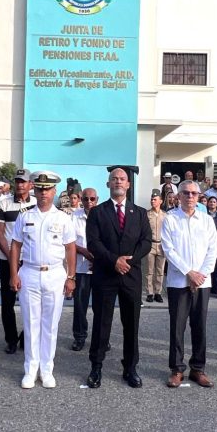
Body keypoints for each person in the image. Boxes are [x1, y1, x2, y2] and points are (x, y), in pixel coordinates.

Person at [85, 167, 152, 389]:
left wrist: (128, 262)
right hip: (106, 274)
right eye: (114, 179)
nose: (118, 182)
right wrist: (114, 260)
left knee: (131, 324)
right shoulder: (97, 212)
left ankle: (130, 368)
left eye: (122, 179)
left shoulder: (140, 213)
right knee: (102, 322)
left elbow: (146, 242)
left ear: (128, 185)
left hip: (131, 276)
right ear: (108, 184)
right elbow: (93, 242)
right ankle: (96, 366)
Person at [9, 171, 76, 389]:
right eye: (39, 189)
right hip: (29, 272)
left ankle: (47, 370)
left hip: (55, 273)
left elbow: (70, 248)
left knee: (50, 325)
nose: (43, 192)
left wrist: (71, 277)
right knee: (31, 323)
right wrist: (13, 273)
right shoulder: (25, 216)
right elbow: (15, 245)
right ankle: (30, 369)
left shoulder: (63, 218)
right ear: (33, 190)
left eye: (47, 189)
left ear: (54, 191)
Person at [161, 180, 217, 388]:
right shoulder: (170, 219)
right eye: (186, 193)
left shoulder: (206, 221)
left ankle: (198, 369)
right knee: (177, 327)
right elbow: (169, 250)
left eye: (194, 193)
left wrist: (201, 274)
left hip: (202, 282)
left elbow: (213, 249)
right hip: (179, 282)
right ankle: (176, 369)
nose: (190, 197)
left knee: (199, 326)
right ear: (179, 196)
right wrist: (188, 272)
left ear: (199, 196)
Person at [0, 168, 37, 354]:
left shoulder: (36, 203)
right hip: (7, 260)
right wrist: (11, 255)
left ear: (30, 185)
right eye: (17, 181)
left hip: (29, 261)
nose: (20, 184)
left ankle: (25, 337)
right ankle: (11, 339)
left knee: (31, 302)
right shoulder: (4, 203)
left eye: (23, 181)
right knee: (8, 303)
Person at [71, 188, 98, 351]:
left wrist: (98, 259)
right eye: (86, 199)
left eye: (92, 199)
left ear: (97, 199)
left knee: (101, 306)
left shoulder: (103, 215)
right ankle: (79, 336)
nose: (89, 202)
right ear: (81, 199)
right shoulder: (74, 217)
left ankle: (101, 338)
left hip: (100, 268)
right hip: (81, 268)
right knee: (80, 305)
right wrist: (85, 252)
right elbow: (68, 241)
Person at [145, 191, 167, 303]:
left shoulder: (165, 215)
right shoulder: (147, 214)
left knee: (160, 270)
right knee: (149, 270)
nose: (152, 201)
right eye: (152, 199)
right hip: (151, 244)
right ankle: (150, 292)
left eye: (155, 199)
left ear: (161, 201)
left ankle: (158, 292)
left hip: (162, 245)